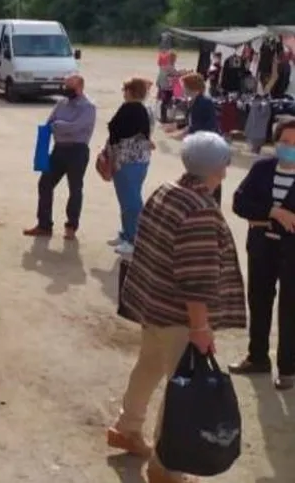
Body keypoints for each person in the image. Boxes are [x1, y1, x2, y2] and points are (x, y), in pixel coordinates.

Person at [107, 131, 245, 482]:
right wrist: (200, 328)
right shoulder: (199, 210)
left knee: (148, 366)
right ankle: (166, 466)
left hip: (153, 305)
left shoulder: (167, 190)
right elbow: (195, 280)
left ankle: (127, 427)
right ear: (220, 168)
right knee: (181, 387)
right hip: (178, 316)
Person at [229, 118, 295, 390]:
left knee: (291, 310)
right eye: (284, 142)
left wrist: (261, 216)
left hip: (292, 253)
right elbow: (239, 201)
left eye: (294, 143)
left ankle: (288, 369)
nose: (288, 147)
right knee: (258, 302)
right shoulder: (262, 168)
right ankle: (257, 358)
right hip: (261, 247)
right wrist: (273, 212)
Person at [23, 75, 96, 241]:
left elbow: (76, 127)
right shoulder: (61, 103)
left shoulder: (88, 107)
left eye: (69, 86)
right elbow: (50, 123)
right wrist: (58, 126)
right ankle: (44, 225)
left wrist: (58, 126)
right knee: (45, 183)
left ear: (80, 87)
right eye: (65, 86)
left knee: (75, 189)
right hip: (59, 150)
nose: (65, 89)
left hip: (77, 151)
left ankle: (71, 226)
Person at [105, 78, 154, 255]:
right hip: (139, 160)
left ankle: (134, 239)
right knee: (128, 199)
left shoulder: (130, 109)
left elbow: (116, 132)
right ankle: (127, 234)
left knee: (130, 202)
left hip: (127, 161)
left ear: (131, 91)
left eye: (125, 90)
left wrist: (109, 155)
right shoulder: (146, 109)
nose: (123, 93)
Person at [168, 73, 221, 204]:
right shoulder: (194, 101)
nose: (183, 90)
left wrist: (184, 132)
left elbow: (208, 125)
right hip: (198, 146)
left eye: (185, 87)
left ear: (193, 87)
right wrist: (176, 126)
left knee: (208, 179)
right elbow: (191, 121)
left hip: (207, 147)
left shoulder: (205, 102)